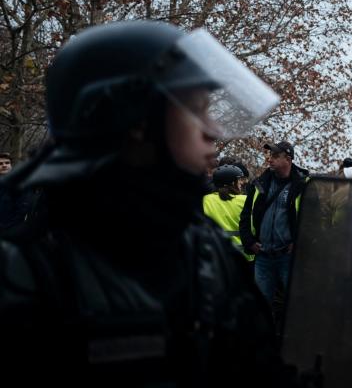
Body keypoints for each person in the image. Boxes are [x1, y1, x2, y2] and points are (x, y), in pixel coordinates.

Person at [0, 20, 289, 384]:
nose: (213, 129)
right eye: (197, 109)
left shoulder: (206, 251)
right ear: (136, 121)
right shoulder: (22, 275)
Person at [240, 141, 307, 309]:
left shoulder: (304, 185)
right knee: (261, 307)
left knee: (296, 305)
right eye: (269, 156)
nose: (269, 159)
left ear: (289, 159)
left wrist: (299, 244)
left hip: (288, 258)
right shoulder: (260, 183)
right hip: (263, 257)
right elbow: (245, 215)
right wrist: (249, 242)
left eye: (275, 156)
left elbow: (314, 219)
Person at [204, 164, 251, 259]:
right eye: (239, 180)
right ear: (232, 183)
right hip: (243, 257)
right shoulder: (245, 200)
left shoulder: (205, 200)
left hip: (215, 256)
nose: (241, 183)